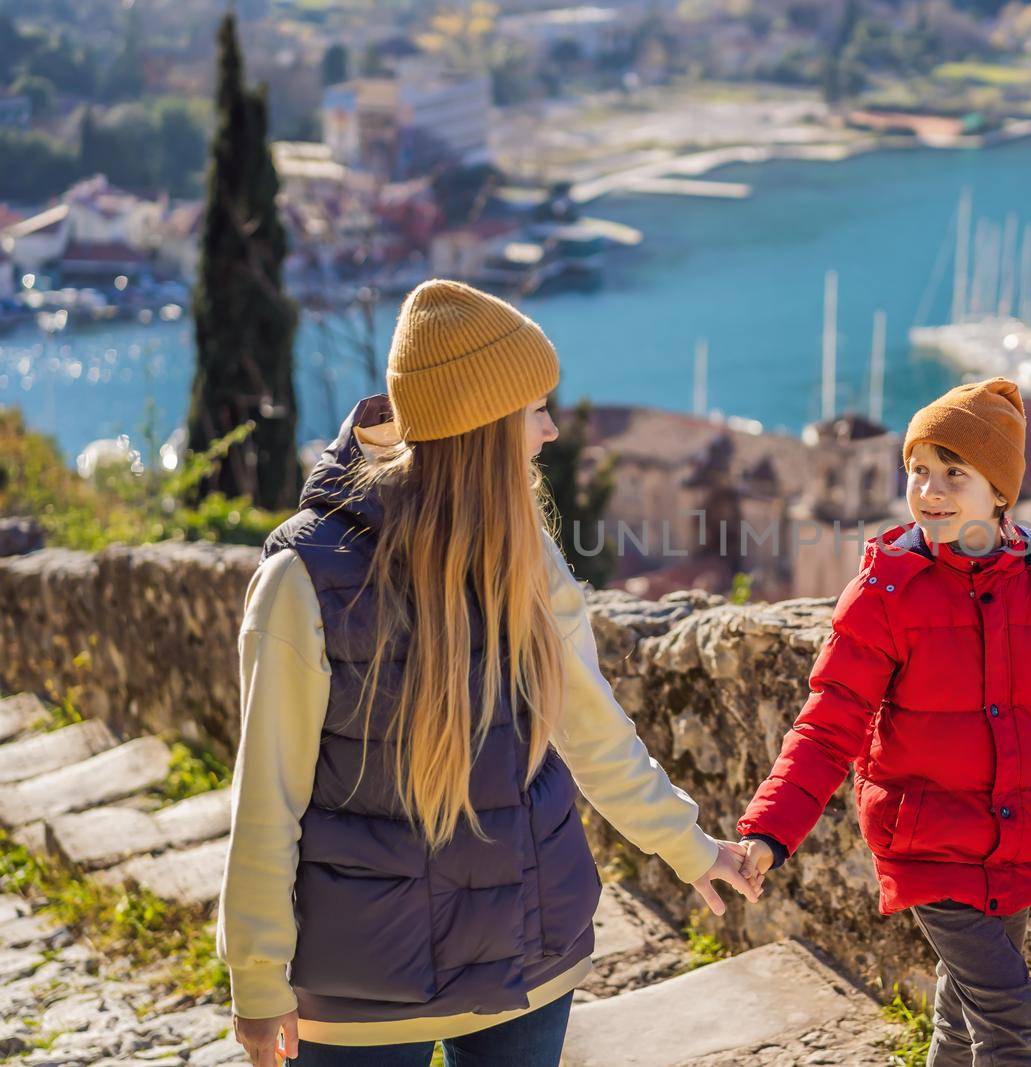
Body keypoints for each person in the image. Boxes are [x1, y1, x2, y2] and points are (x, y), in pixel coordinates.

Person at [217, 280, 756, 1066]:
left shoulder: (525, 550)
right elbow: (266, 795)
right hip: (367, 997)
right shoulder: (302, 580)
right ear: (482, 427)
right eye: (535, 409)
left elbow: (591, 727)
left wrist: (689, 844)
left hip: (525, 960)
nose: (551, 429)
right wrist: (257, 982)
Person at [736, 377, 1031, 1066]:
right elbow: (828, 725)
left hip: (1020, 843)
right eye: (918, 471)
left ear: (1000, 490)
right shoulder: (885, 592)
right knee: (1009, 1022)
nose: (929, 490)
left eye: (953, 473)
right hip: (928, 843)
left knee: (962, 1012)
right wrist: (769, 829)